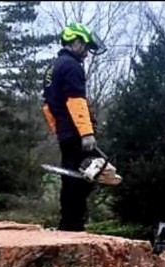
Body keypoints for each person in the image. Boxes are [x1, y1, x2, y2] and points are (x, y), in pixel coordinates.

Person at [41, 22, 108, 231]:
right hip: (76, 130)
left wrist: (59, 130)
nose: (87, 52)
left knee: (71, 174)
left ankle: (68, 222)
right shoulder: (72, 66)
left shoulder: (53, 67)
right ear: (76, 42)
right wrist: (86, 133)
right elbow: (76, 101)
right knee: (83, 176)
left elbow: (47, 106)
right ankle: (73, 224)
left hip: (65, 130)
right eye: (86, 47)